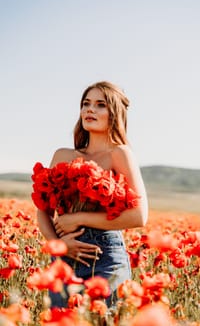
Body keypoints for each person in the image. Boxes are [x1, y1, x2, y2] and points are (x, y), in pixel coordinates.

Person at [37, 81, 148, 308]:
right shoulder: (62, 155)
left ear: (114, 113)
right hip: (64, 257)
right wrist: (58, 244)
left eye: (100, 105)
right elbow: (42, 210)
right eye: (86, 104)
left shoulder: (120, 154)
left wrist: (76, 219)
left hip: (105, 257)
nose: (90, 109)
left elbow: (139, 216)